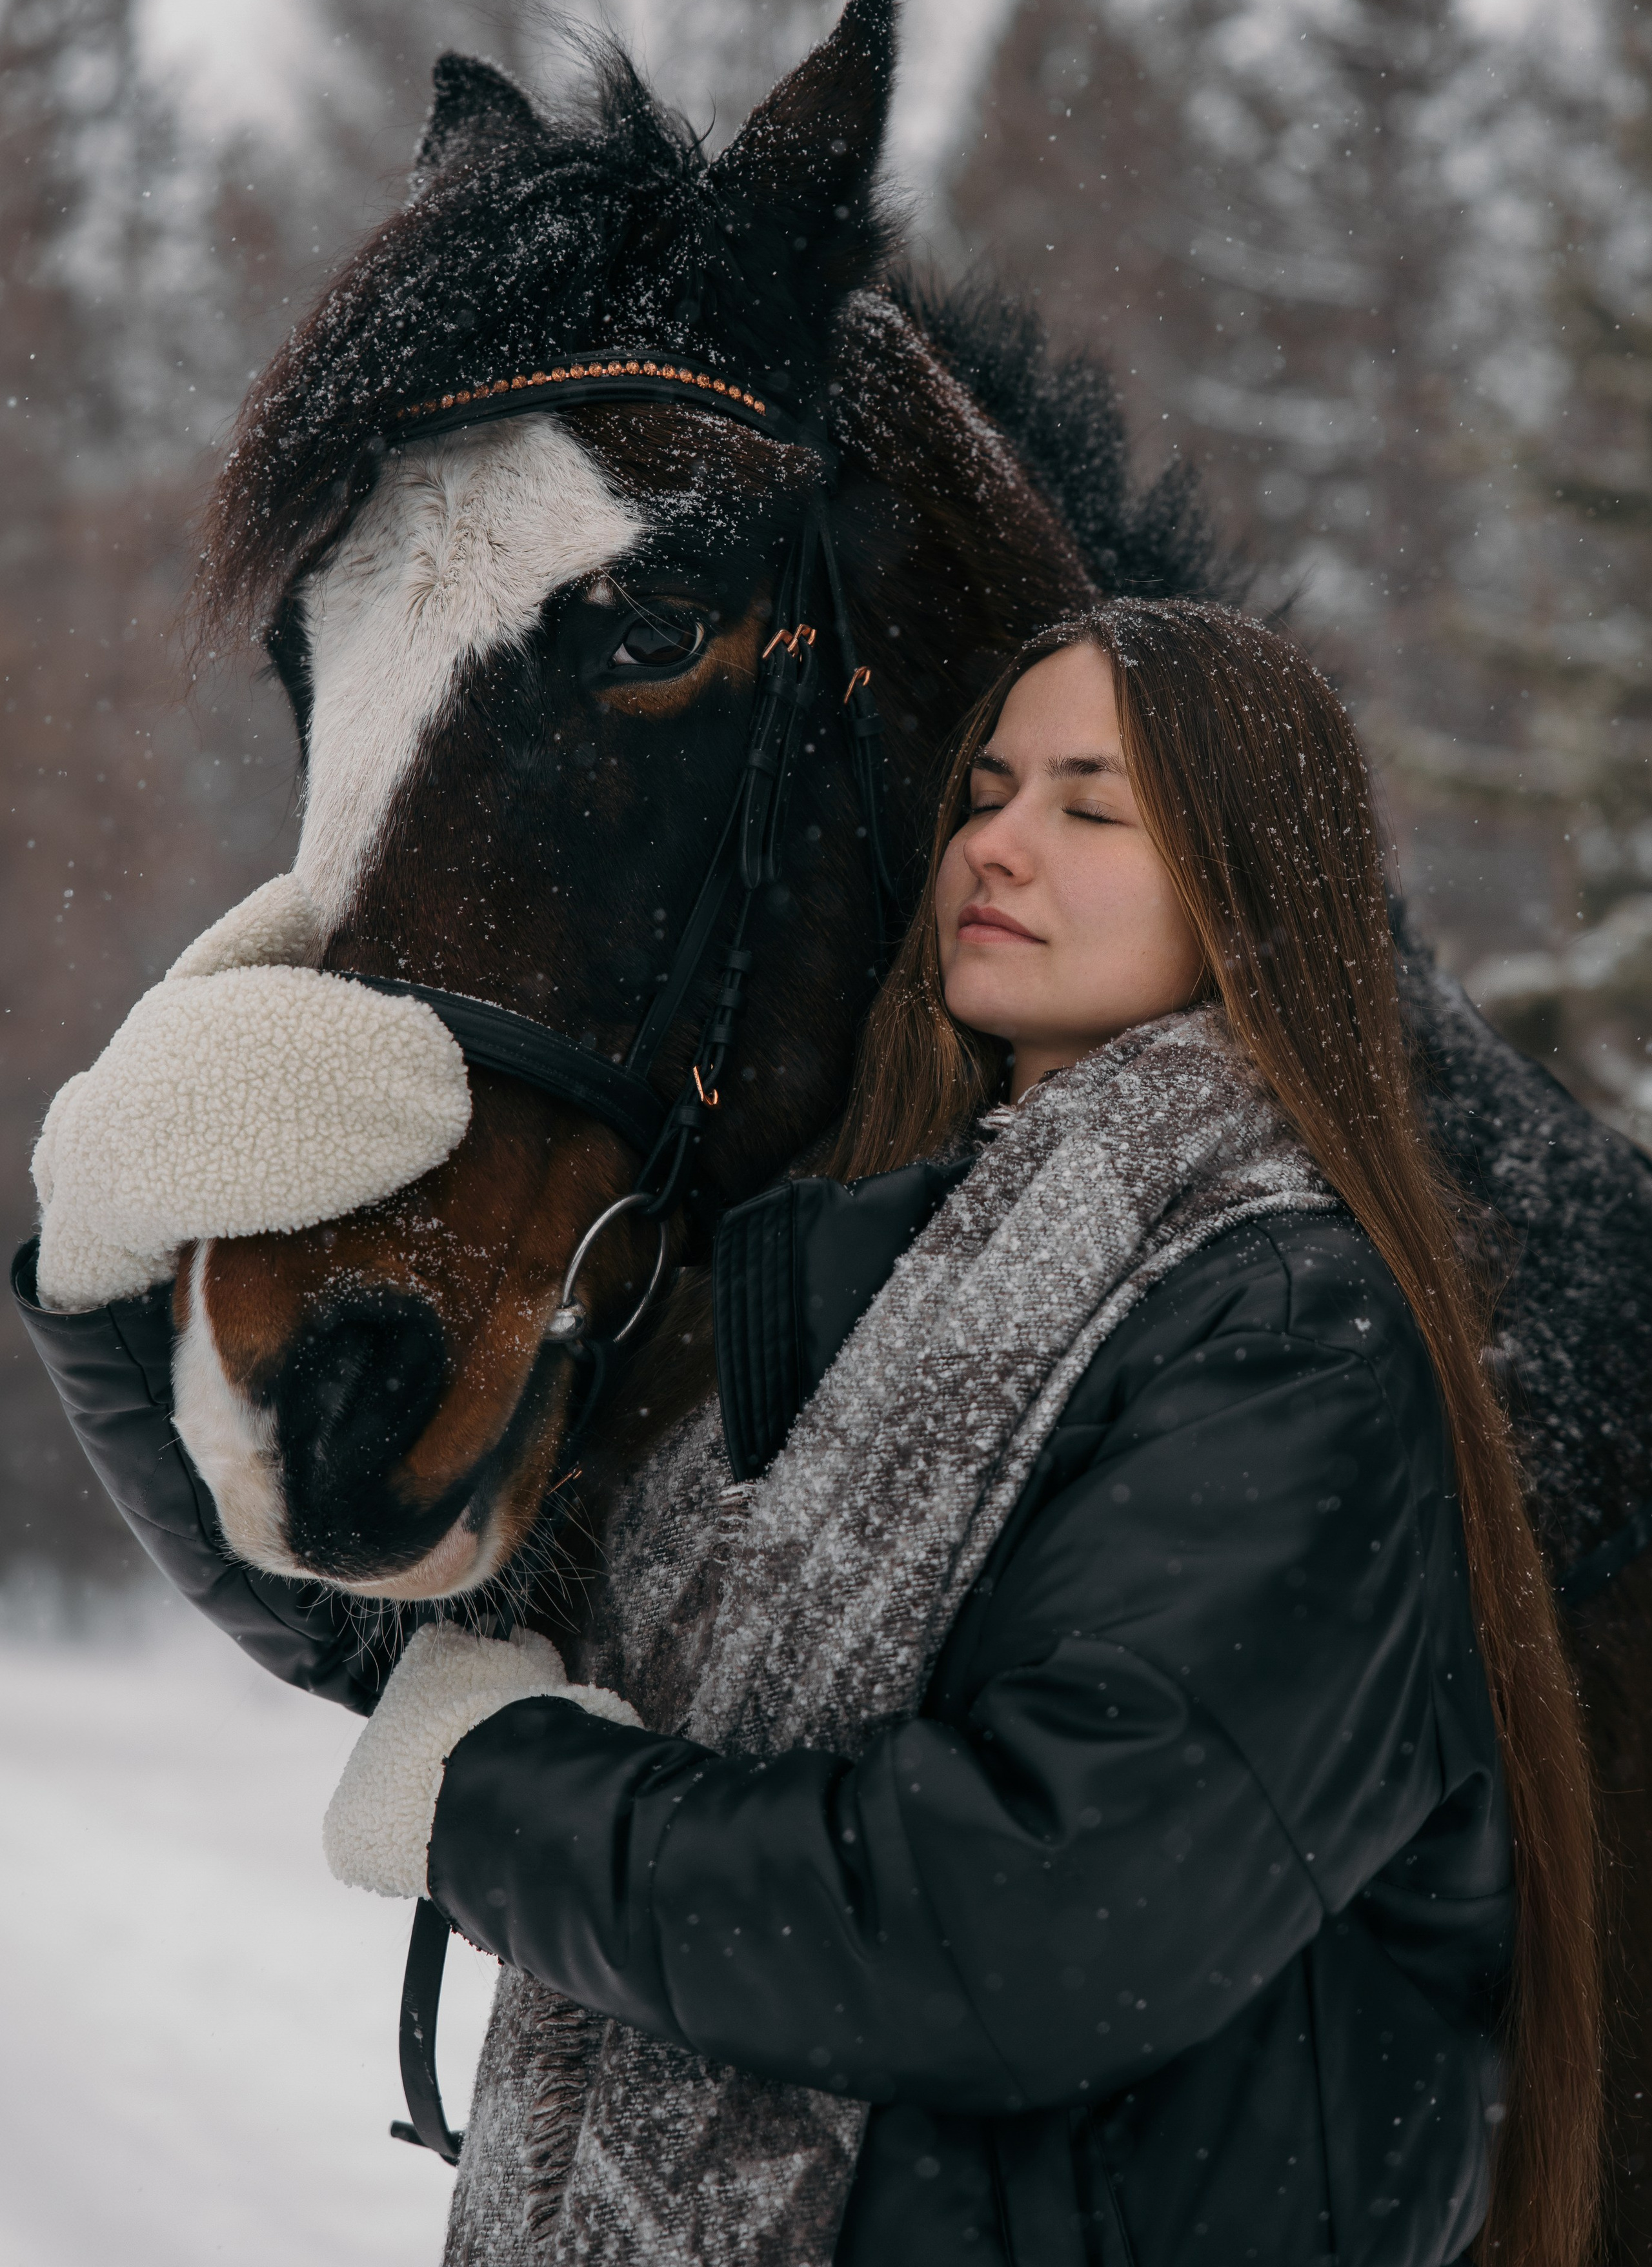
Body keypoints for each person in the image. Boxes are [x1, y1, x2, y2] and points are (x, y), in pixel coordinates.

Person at [14, 601, 1599, 2267]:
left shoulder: (1288, 1340)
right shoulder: (869, 1280)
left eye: (1091, 804)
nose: (999, 840)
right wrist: (126, 1276)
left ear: (1255, 882)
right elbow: (430, 1649)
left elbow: (1039, 1919)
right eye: (985, 790)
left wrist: (504, 1797)